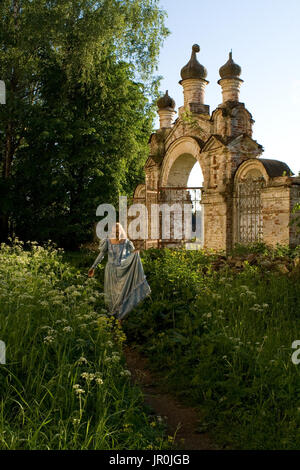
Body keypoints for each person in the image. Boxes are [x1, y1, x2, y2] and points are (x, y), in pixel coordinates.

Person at [88, 222, 151, 325]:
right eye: (115, 231)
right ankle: (112, 316)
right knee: (112, 293)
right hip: (111, 271)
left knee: (122, 292)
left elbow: (132, 253)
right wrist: (93, 267)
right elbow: (101, 255)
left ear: (121, 231)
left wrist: (137, 253)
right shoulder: (107, 242)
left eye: (118, 231)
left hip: (123, 269)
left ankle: (120, 316)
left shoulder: (126, 242)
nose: (116, 233)